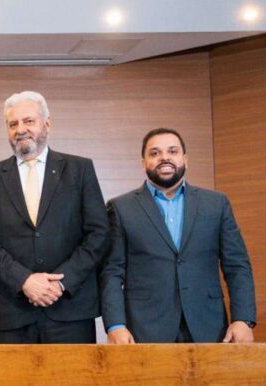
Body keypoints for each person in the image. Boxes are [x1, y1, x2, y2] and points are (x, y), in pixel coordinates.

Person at [0, 91, 109, 343]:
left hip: (70, 310)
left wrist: (60, 284)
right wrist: (24, 281)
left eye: (29, 121)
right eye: (13, 124)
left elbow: (98, 234)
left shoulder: (80, 170)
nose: (21, 130)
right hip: (10, 313)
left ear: (47, 123)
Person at [100, 128, 255, 343]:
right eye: (155, 153)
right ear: (143, 163)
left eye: (172, 151)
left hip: (208, 326)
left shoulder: (216, 204)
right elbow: (111, 272)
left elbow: (237, 265)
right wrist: (115, 325)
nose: (164, 157)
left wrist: (243, 319)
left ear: (185, 159)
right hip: (144, 329)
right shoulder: (120, 208)